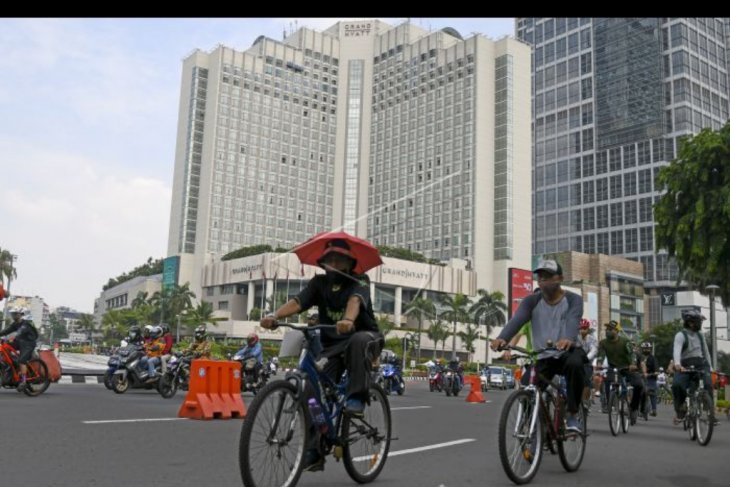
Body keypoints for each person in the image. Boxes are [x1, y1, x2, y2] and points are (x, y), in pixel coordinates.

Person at [260, 238, 383, 471]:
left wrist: (348, 319)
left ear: (349, 263)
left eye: (339, 259)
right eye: (329, 259)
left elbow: (355, 301)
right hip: (333, 346)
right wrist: (275, 316)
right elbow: (299, 302)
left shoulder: (360, 280)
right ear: (323, 262)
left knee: (358, 340)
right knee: (310, 391)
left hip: (366, 338)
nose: (333, 263)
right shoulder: (318, 283)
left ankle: (356, 397)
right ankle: (316, 448)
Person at [491, 259, 586, 433]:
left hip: (568, 352)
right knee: (527, 385)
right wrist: (502, 338)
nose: (543, 280)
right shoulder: (531, 301)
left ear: (560, 278)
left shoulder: (574, 299)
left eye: (548, 277)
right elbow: (517, 320)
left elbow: (573, 319)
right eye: (540, 277)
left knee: (576, 365)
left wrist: (567, 338)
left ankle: (572, 413)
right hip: (544, 356)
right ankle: (532, 428)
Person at [596, 321, 645, 424]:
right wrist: (599, 363)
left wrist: (632, 364)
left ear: (617, 331)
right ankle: (609, 403)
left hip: (627, 368)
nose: (607, 331)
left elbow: (632, 354)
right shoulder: (603, 342)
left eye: (610, 329)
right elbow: (601, 354)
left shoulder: (625, 342)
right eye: (607, 329)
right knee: (607, 382)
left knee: (639, 385)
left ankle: (633, 408)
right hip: (613, 368)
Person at [671, 308, 713, 424]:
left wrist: (711, 368)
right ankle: (681, 409)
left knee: (708, 383)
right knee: (677, 385)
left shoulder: (700, 335)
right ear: (690, 323)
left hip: (701, 364)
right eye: (698, 321)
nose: (700, 324)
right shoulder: (680, 335)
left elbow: (706, 352)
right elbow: (676, 351)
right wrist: (678, 364)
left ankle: (710, 413)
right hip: (685, 365)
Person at [0, 307, 39, 391]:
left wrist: (11, 338)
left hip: (28, 343)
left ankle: (24, 381)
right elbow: (6, 331)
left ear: (20, 314)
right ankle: (11, 365)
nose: (13, 315)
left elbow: (20, 332)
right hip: (19, 341)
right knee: (5, 346)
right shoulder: (15, 323)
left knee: (22, 360)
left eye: (15, 314)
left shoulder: (26, 323)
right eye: (12, 314)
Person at [576, 319, 598, 412]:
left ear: (588, 329)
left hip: (587, 363)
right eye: (581, 328)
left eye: (585, 328)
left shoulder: (592, 338)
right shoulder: (575, 337)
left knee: (586, 381)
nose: (582, 330)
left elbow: (594, 350)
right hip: (577, 362)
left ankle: (585, 401)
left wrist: (586, 358)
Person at [638, 341, 658, 416]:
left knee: (652, 392)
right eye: (645, 348)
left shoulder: (653, 358)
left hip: (650, 377)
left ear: (650, 349)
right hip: (640, 377)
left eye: (648, 348)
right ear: (642, 349)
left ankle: (654, 410)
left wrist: (656, 372)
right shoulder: (638, 357)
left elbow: (656, 368)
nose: (646, 350)